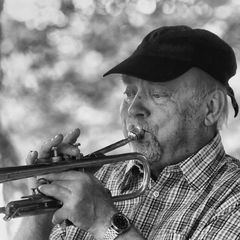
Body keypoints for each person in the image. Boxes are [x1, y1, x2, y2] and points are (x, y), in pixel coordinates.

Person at [13, 25, 240, 240]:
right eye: (129, 93)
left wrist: (103, 221)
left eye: (158, 94)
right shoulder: (98, 181)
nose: (133, 110)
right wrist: (41, 206)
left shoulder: (233, 199)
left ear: (211, 108)